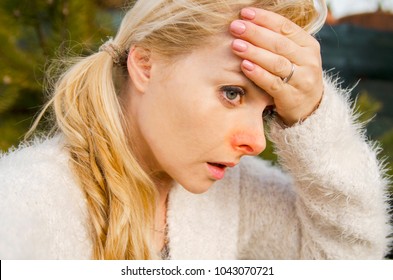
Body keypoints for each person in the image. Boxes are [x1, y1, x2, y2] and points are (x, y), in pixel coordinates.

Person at [0, 0, 391, 260]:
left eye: (271, 112)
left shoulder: (236, 197)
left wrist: (311, 114)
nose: (256, 142)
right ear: (145, 63)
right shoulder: (21, 204)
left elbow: (348, 257)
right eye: (233, 93)